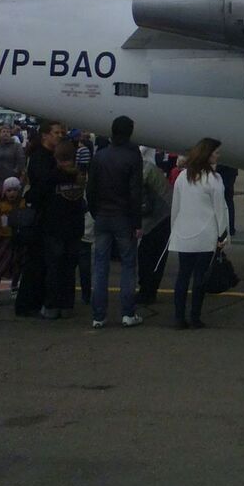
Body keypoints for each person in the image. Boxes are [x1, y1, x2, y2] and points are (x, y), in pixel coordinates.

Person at [86, 116, 144, 329]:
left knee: (100, 265)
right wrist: (137, 222)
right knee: (128, 265)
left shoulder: (100, 156)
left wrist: (95, 211)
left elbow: (90, 189)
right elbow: (135, 193)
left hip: (102, 214)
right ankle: (128, 313)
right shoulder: (132, 156)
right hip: (124, 217)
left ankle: (98, 315)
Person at [168, 137, 230, 329]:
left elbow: (175, 208)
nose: (218, 155)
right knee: (200, 278)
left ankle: (179, 317)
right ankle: (195, 316)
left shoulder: (182, 177)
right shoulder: (214, 179)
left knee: (183, 276)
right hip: (206, 235)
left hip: (184, 234)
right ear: (208, 155)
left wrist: (174, 230)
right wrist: (223, 236)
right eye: (216, 152)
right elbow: (220, 209)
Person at [19, 119, 64, 317]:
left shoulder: (47, 156)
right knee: (36, 262)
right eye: (56, 133)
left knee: (39, 262)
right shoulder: (41, 157)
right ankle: (29, 303)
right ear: (45, 135)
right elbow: (43, 184)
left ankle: (32, 302)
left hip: (45, 215)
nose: (59, 136)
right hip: (41, 216)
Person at [43, 139, 87, 316]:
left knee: (54, 268)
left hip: (55, 228)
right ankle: (67, 305)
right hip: (75, 228)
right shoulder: (80, 176)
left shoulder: (52, 176)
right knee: (69, 269)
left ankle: (52, 306)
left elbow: (41, 197)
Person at [137, 148, 172, 305]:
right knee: (154, 257)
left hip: (157, 219)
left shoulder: (144, 170)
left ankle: (147, 291)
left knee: (148, 256)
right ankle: (149, 290)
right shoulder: (148, 168)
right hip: (163, 217)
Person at [0, 175, 22, 305]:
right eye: (9, 190)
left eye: (15, 190)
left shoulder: (22, 204)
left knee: (17, 264)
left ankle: (14, 287)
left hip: (16, 238)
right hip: (2, 238)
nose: (12, 193)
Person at [0, 123, 26, 187]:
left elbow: (21, 160)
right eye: (3, 131)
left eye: (8, 132)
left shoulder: (17, 146)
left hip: (12, 177)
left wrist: (15, 172)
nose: (6, 133)